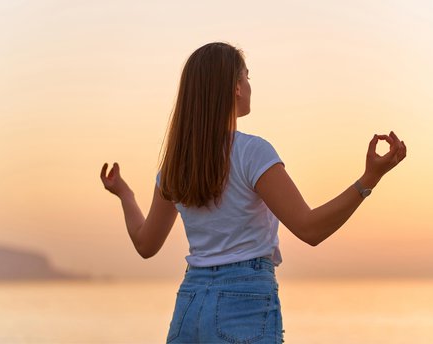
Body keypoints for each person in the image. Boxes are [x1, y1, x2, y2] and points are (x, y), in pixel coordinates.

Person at [100, 42, 407, 343]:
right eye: (247, 77)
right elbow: (310, 229)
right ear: (235, 87)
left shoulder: (177, 166)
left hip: (190, 306)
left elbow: (145, 244)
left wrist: (125, 194)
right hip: (244, 302)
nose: (249, 85)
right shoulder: (252, 152)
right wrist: (370, 178)